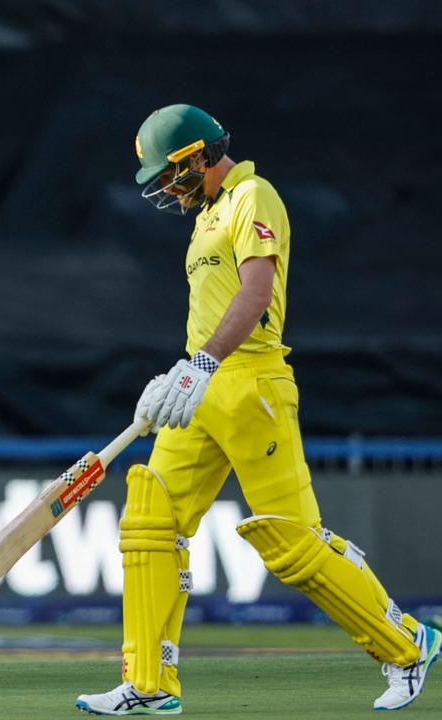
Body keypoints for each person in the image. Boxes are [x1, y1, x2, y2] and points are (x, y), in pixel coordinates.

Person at [75, 103, 441, 716]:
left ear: (198, 156)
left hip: (252, 384)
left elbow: (256, 293)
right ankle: (149, 681)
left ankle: (408, 644)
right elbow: (212, 312)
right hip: (202, 388)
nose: (165, 188)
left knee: (293, 544)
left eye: (170, 173)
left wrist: (206, 362)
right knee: (149, 523)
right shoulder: (207, 216)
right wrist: (179, 373)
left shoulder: (252, 194)